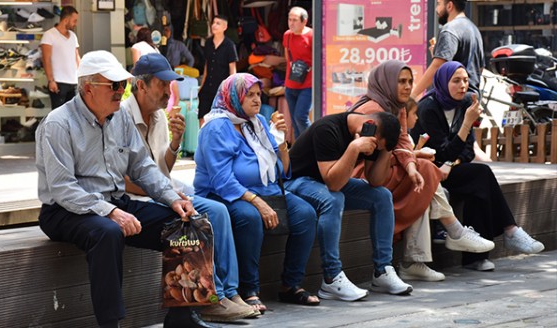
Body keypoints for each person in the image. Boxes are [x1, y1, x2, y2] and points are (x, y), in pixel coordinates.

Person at [35, 50, 213, 328]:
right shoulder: (58, 123)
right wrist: (111, 212)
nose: (121, 91)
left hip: (112, 200)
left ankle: (182, 315)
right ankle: (110, 324)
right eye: (114, 85)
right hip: (64, 209)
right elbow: (62, 188)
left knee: (187, 223)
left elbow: (142, 166)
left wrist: (171, 197)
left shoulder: (120, 118)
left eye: (123, 85)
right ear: (89, 88)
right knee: (108, 231)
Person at [121, 53, 256, 322]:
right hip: (138, 196)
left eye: (171, 85)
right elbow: (125, 181)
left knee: (219, 210)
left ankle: (227, 292)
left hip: (162, 188)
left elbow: (162, 170)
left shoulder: (158, 117)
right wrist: (168, 195)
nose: (169, 92)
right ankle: (212, 298)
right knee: (201, 214)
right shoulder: (122, 117)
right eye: (163, 84)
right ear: (142, 85)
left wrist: (175, 143)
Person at [348, 60, 494, 282]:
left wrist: (410, 164)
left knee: (422, 181)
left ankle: (416, 261)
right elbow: (373, 152)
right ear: (386, 82)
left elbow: (403, 142)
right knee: (425, 170)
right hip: (363, 174)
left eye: (410, 81)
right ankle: (452, 231)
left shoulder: (396, 107)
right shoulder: (371, 110)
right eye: (401, 81)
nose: (407, 86)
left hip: (389, 168)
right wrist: (413, 162)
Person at [194, 73, 320, 314]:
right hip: (226, 196)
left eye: (258, 95)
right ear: (232, 97)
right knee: (250, 217)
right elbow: (222, 180)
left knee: (305, 214)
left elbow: (282, 171)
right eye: (249, 95)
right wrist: (257, 202)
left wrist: (282, 143)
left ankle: (290, 284)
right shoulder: (216, 127)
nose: (256, 100)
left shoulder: (258, 122)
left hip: (267, 191)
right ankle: (249, 289)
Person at [411, 61, 545, 271]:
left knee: (480, 180)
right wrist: (465, 126)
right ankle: (506, 233)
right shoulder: (429, 108)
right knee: (481, 176)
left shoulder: (466, 102)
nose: (462, 85)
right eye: (456, 81)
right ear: (443, 83)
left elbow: (468, 150)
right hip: (427, 170)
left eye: (465, 80)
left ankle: (480, 256)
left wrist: (451, 163)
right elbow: (441, 151)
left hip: (448, 168)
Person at [286, 108, 413, 301]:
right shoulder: (327, 128)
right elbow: (333, 183)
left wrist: (386, 150)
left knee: (381, 196)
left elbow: (375, 181)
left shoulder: (370, 134)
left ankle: (382, 272)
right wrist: (354, 148)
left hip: (327, 182)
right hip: (298, 181)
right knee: (334, 199)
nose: (374, 149)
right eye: (377, 145)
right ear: (370, 125)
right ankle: (331, 277)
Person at [411, 0, 484, 98]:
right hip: (473, 99)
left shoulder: (450, 29)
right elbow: (480, 68)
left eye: (438, 4)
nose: (437, 9)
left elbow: (437, 66)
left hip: (453, 100)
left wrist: (413, 96)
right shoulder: (474, 30)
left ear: (449, 6)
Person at [198, 15, 238, 127]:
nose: (214, 25)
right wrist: (201, 86)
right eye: (213, 22)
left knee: (219, 120)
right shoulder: (208, 43)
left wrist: (231, 90)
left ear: (225, 27)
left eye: (218, 23)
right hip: (207, 87)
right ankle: (202, 142)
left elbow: (232, 69)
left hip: (221, 89)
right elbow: (207, 66)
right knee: (202, 117)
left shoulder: (230, 45)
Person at [40, 6, 80, 110]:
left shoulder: (73, 36)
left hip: (73, 82)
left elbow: (76, 57)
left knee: (74, 115)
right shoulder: (49, 35)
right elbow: (46, 59)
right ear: (66, 20)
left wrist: (81, 76)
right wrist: (51, 80)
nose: (75, 24)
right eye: (74, 21)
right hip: (58, 82)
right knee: (59, 116)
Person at [283, 6, 313, 140]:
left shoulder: (312, 35)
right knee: (294, 122)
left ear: (304, 21)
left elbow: (319, 58)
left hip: (307, 84)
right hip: (290, 84)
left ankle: (313, 143)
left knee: (300, 117)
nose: (291, 23)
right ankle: (300, 152)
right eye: (290, 19)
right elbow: (287, 56)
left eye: (295, 20)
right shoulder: (287, 35)